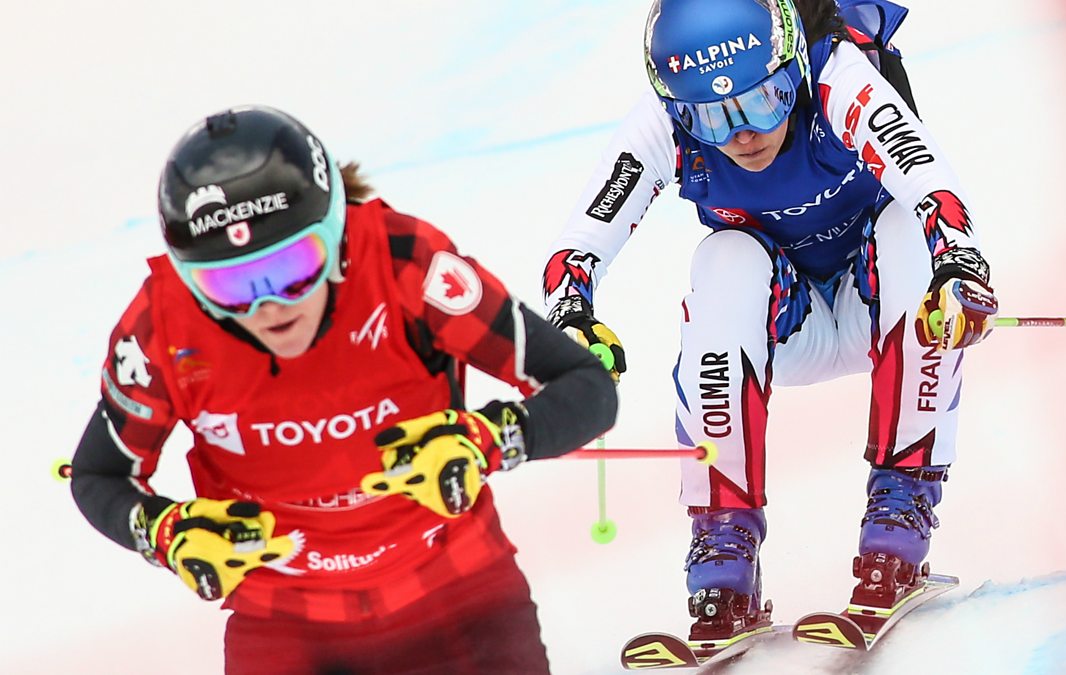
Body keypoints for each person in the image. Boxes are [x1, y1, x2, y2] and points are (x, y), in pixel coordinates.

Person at [69, 105, 617, 674]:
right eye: (230, 284)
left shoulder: (403, 264)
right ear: (190, 279)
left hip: (459, 596)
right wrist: (166, 532)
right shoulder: (164, 326)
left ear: (335, 232)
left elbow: (586, 387)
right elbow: (99, 475)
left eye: (293, 267)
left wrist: (487, 439)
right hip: (286, 627)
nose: (268, 305)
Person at [541, 0, 997, 643]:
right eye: (712, 117)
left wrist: (960, 266)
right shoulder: (663, 122)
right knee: (724, 256)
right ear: (680, 109)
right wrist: (571, 318)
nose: (742, 135)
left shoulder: (837, 75)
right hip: (786, 324)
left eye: (764, 101)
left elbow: (927, 179)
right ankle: (724, 547)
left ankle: (899, 515)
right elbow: (583, 239)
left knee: (907, 229)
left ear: (793, 70)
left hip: (880, 304)